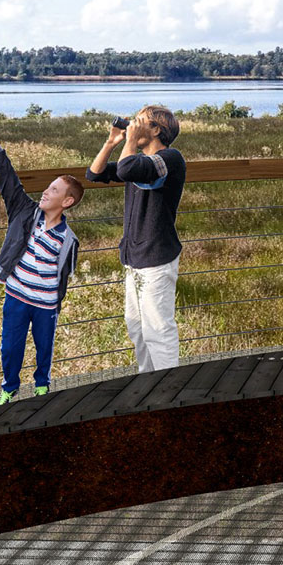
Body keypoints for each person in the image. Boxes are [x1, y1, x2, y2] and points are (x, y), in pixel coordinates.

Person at [0, 103, 82, 406]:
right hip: (17, 297)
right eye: (48, 187)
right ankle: (9, 389)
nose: (46, 191)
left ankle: (42, 386)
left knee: (44, 348)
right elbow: (6, 177)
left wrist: (56, 304)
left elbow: (63, 276)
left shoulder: (69, 240)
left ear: (67, 202)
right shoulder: (23, 211)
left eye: (54, 190)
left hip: (46, 305)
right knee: (11, 347)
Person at [87, 104, 186, 372]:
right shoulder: (139, 162)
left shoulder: (170, 159)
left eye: (139, 122)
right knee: (137, 326)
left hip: (156, 256)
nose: (132, 125)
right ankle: (148, 380)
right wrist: (111, 142)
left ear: (156, 130)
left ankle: (169, 386)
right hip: (134, 257)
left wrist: (130, 141)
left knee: (158, 328)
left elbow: (127, 170)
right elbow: (94, 173)